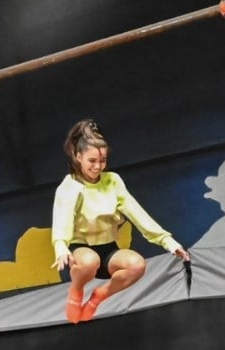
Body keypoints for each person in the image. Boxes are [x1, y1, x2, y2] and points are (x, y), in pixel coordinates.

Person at [51, 120, 188, 323]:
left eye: (103, 161)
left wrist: (167, 241)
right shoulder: (70, 185)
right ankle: (76, 290)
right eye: (92, 161)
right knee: (89, 262)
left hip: (109, 249)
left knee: (137, 265)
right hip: (82, 249)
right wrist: (61, 247)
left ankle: (99, 296)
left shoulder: (112, 181)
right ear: (78, 157)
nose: (98, 166)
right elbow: (62, 216)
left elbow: (136, 213)